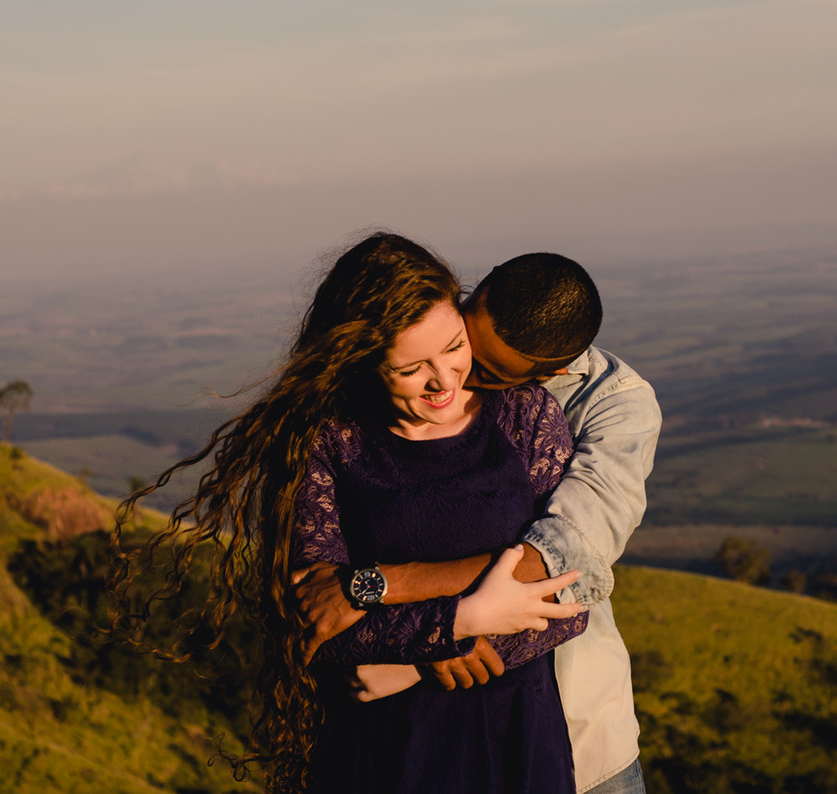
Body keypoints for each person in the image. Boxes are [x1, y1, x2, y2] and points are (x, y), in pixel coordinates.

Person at [109, 233, 589, 794]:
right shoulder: (328, 441)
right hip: (386, 747)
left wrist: (408, 653)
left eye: (455, 347)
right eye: (411, 368)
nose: (444, 380)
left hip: (517, 735)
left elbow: (569, 596)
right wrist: (455, 625)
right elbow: (314, 620)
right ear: (361, 361)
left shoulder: (524, 417)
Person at [294, 252, 662, 793]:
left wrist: (389, 602)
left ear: (548, 373)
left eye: (487, 373)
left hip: (573, 728)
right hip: (397, 744)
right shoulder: (343, 429)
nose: (455, 379)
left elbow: (558, 562)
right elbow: (310, 604)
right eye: (461, 334)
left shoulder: (606, 408)